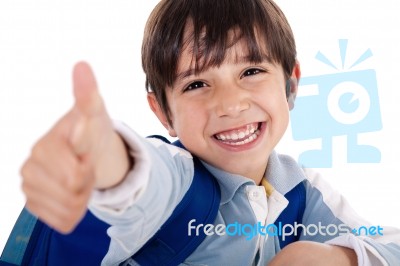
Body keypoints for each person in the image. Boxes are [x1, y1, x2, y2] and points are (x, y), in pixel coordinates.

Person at [20, 0, 400, 265]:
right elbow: (141, 181)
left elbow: (388, 244)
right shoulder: (179, 178)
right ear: (162, 112)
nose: (231, 104)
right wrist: (104, 156)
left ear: (291, 85)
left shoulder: (299, 189)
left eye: (251, 72)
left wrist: (340, 257)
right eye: (197, 84)